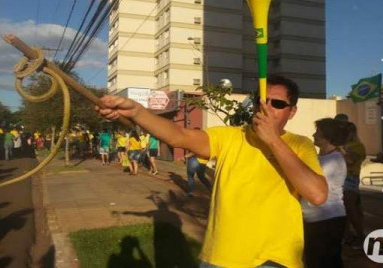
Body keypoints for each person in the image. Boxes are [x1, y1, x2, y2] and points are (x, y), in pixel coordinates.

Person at [96, 74, 327, 267]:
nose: (266, 108)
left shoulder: (300, 144)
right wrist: (137, 111)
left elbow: (317, 194)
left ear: (292, 112)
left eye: (277, 104)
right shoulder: (229, 137)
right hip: (220, 256)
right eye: (261, 100)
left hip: (274, 259)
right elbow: (179, 136)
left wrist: (274, 141)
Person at [301, 118, 349, 268]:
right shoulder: (322, 158)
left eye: (318, 133)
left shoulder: (333, 160)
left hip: (327, 219)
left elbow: (308, 182)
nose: (314, 135)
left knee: (324, 261)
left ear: (327, 137)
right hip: (316, 219)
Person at [341, 122, 366, 248]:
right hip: (340, 178)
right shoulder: (342, 145)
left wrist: (341, 151)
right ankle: (347, 236)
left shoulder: (357, 146)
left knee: (351, 209)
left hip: (350, 179)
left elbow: (351, 160)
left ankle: (361, 236)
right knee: (344, 210)